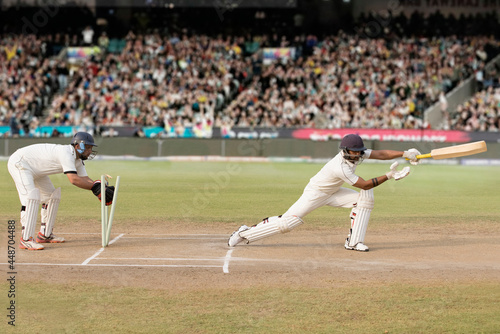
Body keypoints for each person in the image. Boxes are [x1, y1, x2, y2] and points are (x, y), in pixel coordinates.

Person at [228, 134, 421, 251]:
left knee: (365, 199)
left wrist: (405, 154)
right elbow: (364, 184)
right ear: (346, 151)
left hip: (333, 192)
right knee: (288, 223)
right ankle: (245, 233)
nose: (359, 154)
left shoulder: (356, 153)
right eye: (356, 152)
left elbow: (380, 154)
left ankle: (354, 242)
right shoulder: (340, 167)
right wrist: (389, 175)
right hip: (316, 193)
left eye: (360, 151)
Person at [7, 132, 115, 250]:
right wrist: (95, 187)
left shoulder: (78, 160)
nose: (89, 151)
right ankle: (26, 239)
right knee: (30, 199)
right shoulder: (67, 153)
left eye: (91, 148)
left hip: (36, 169)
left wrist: (99, 186)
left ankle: (45, 234)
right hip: (20, 163)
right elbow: (73, 179)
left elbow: (85, 179)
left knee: (51, 196)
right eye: (88, 147)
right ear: (78, 146)